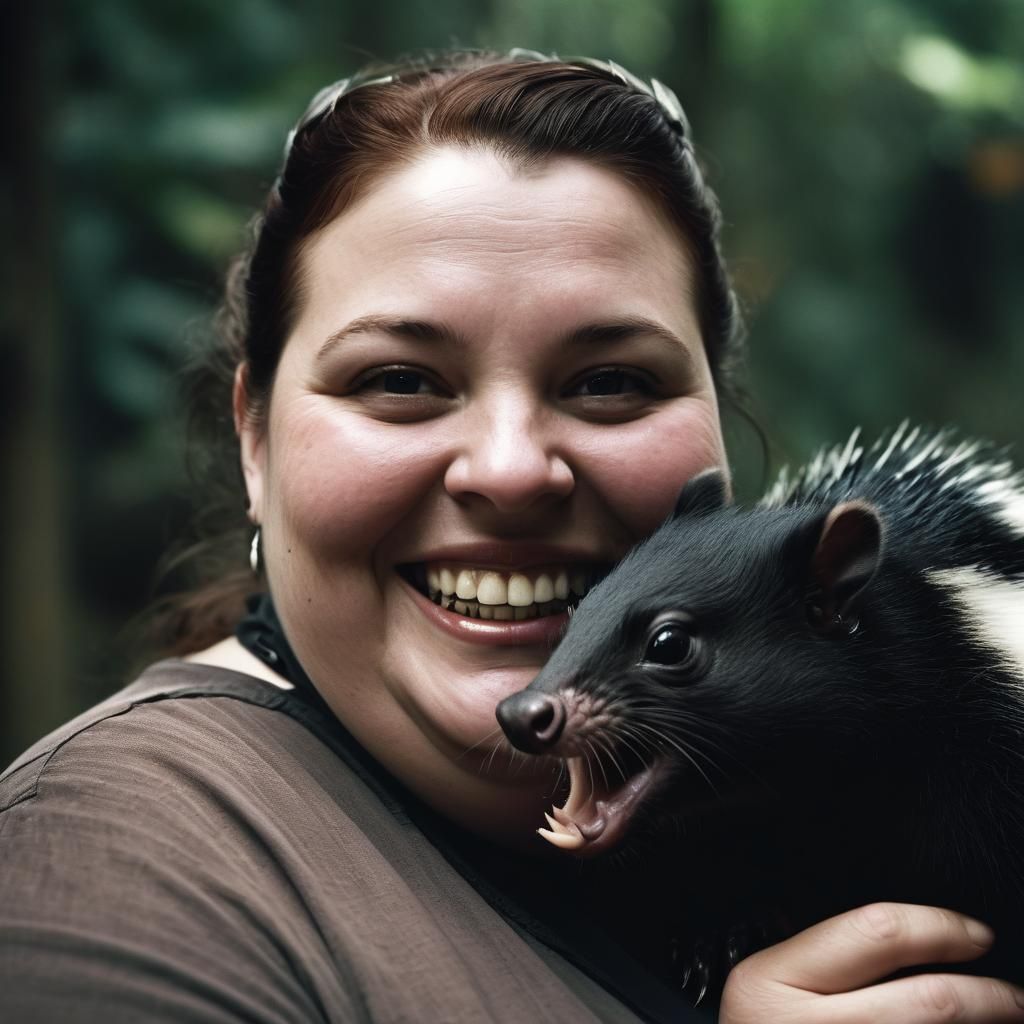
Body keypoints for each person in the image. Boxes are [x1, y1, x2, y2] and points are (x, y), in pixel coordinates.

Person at [2, 49, 1022, 1023]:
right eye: (398, 380)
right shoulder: (110, 861)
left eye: (611, 380)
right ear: (255, 442)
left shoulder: (789, 780)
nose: (511, 468)